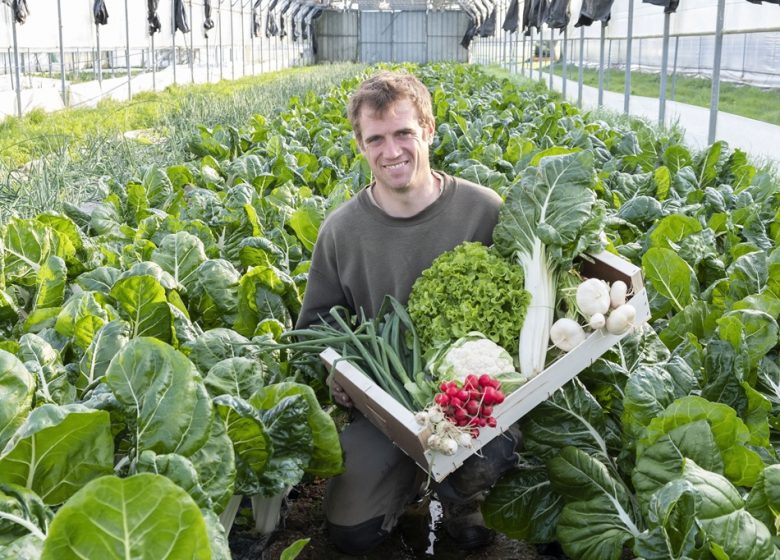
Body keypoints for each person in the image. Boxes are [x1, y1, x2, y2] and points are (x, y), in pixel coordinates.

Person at [295, 69, 519, 556]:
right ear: (360, 145)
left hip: (476, 404)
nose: (391, 151)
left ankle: (460, 498)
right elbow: (316, 327)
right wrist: (338, 374)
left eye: (404, 133)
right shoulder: (342, 231)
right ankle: (411, 480)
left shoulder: (484, 210)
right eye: (376, 139)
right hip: (389, 409)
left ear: (429, 130)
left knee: (492, 453)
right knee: (352, 533)